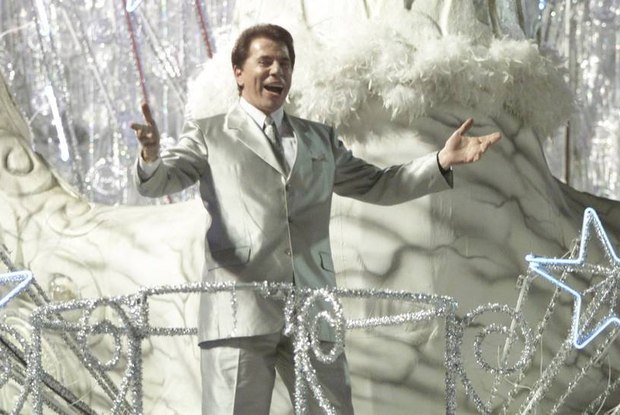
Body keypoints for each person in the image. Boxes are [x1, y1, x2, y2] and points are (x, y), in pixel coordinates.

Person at [131, 23, 500, 415]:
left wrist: (440, 161)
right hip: (238, 311)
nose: (277, 71)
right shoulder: (209, 134)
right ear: (238, 72)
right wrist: (151, 156)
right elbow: (160, 182)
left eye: (285, 63)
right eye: (265, 61)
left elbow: (377, 184)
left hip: (313, 308)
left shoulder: (318, 139)